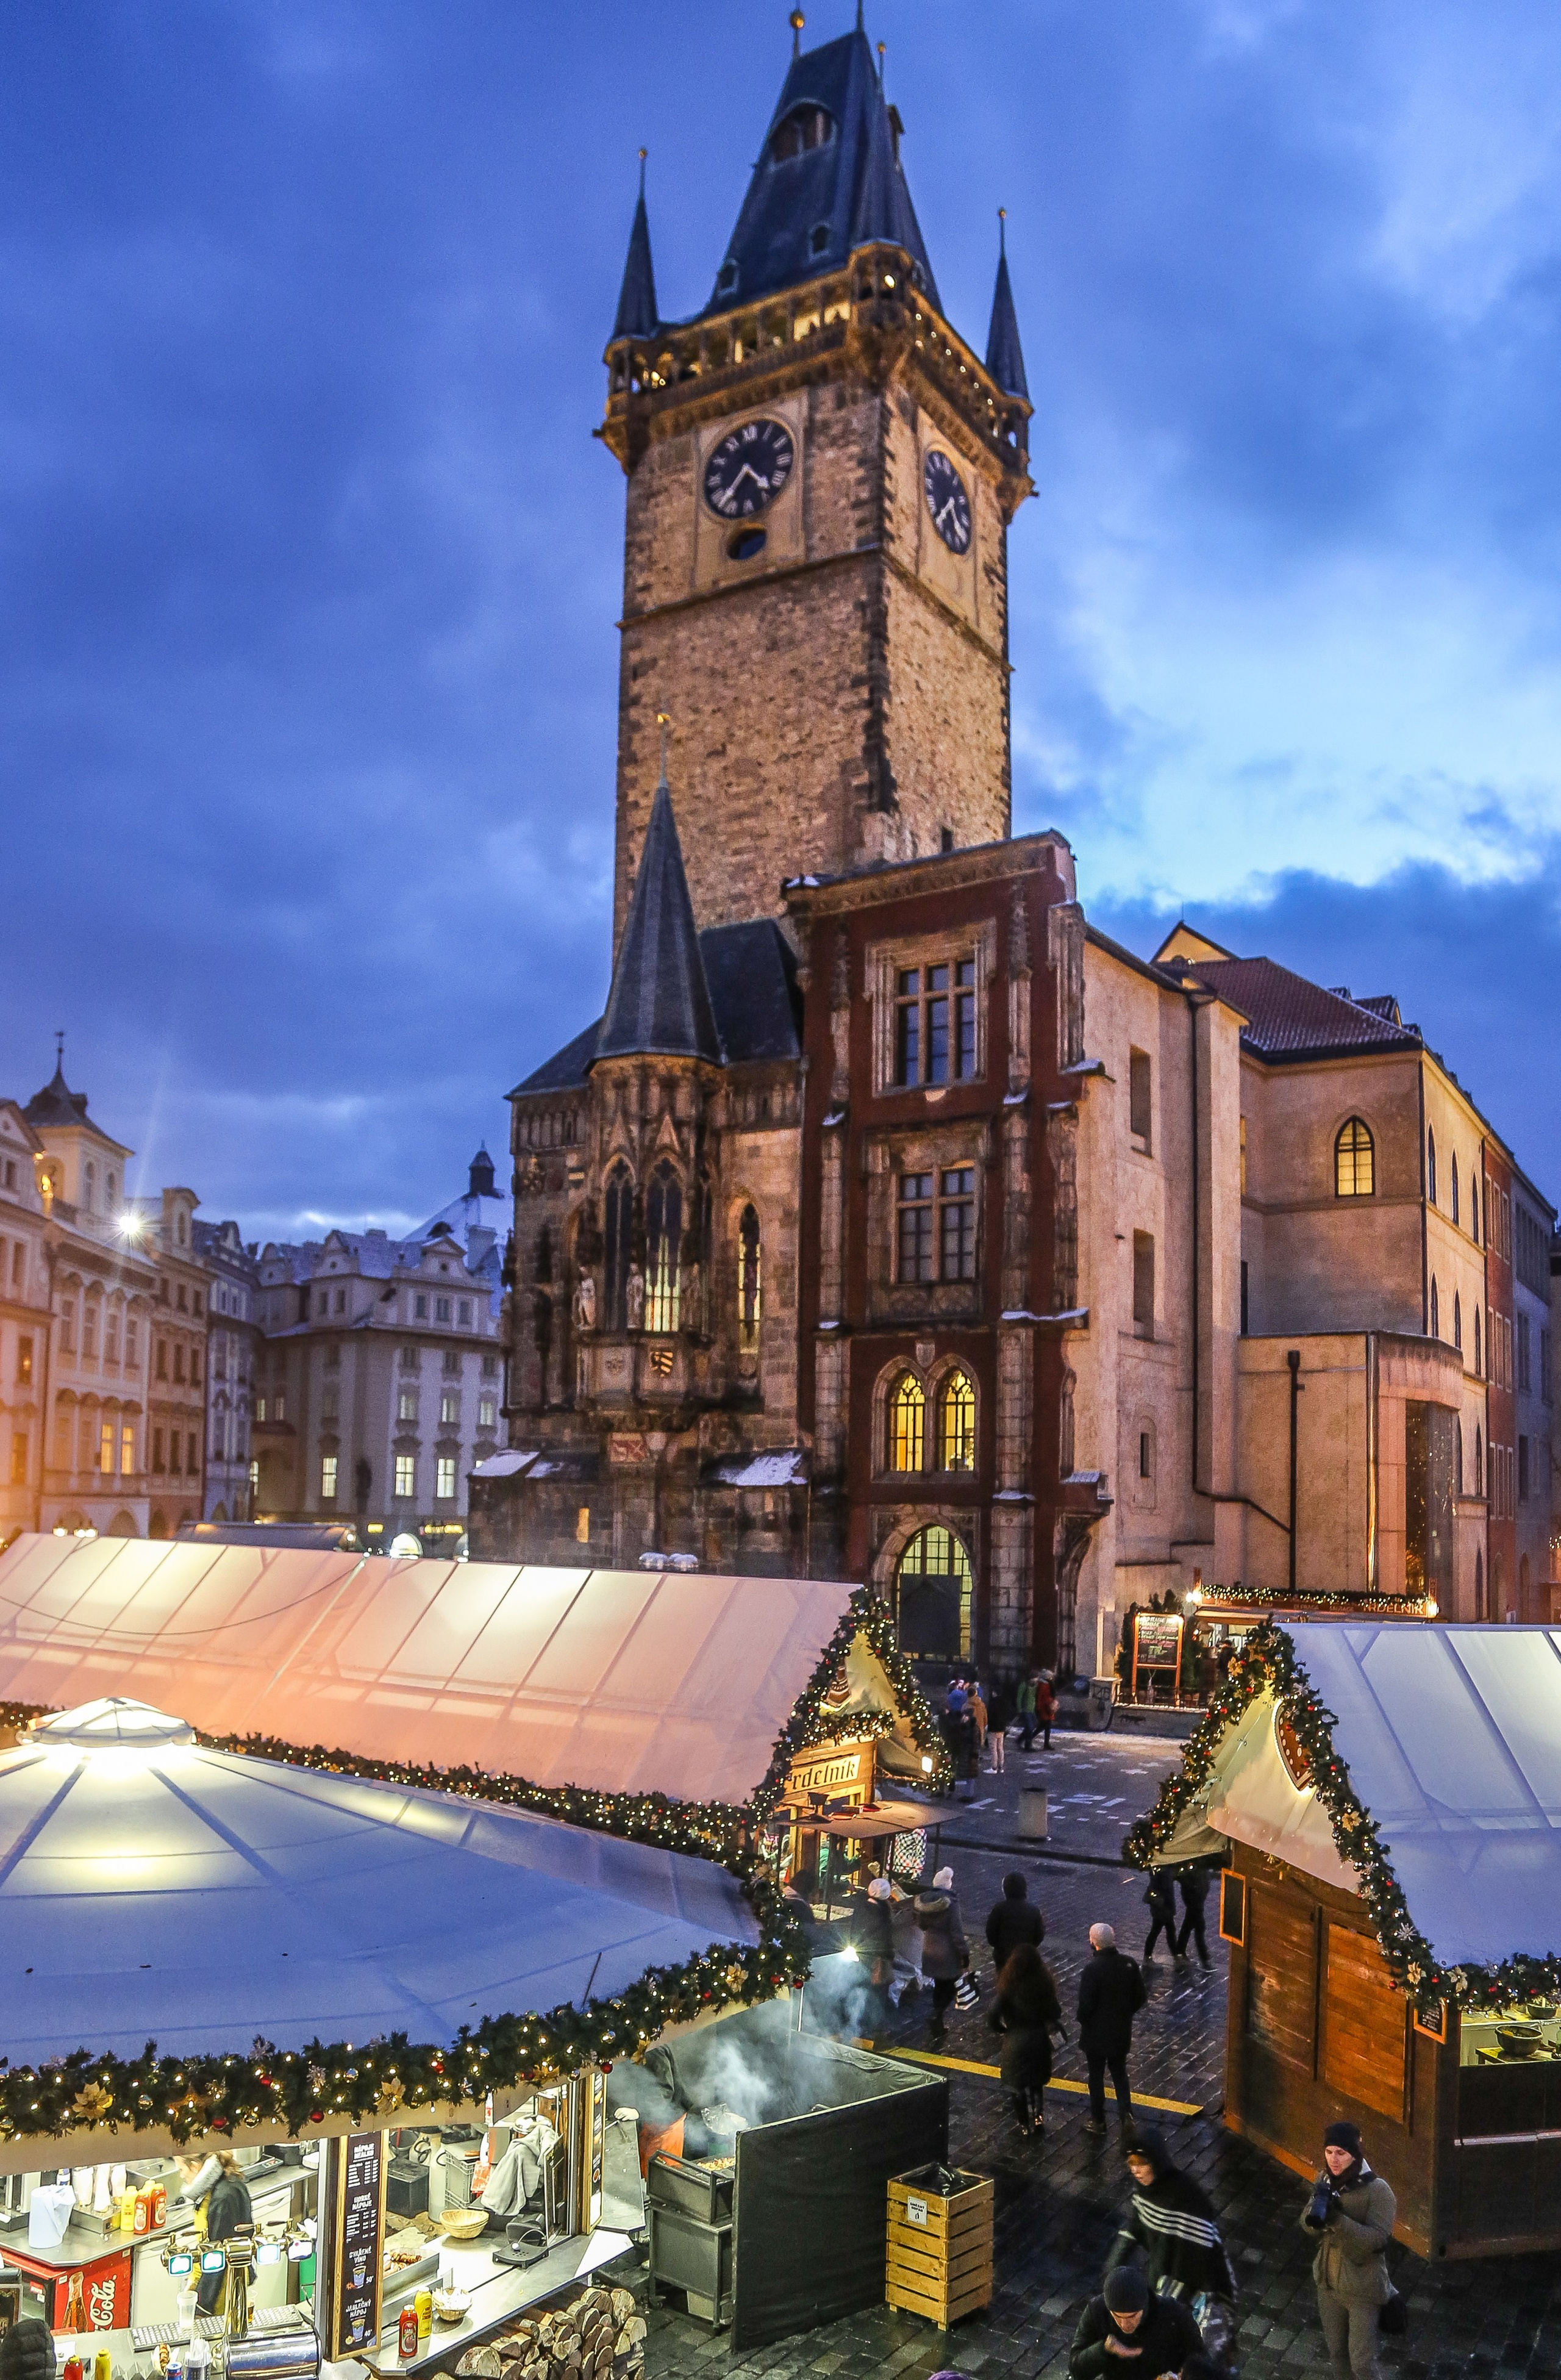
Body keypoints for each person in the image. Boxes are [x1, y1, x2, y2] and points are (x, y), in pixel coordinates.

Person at [1302, 2120, 1396, 2380]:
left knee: (1362, 2364)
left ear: (1354, 2154)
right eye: (1329, 2151)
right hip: (1328, 2283)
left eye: (1341, 2153)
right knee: (1337, 2355)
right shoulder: (1323, 2180)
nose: (1333, 2159)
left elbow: (1377, 2240)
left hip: (1362, 2288)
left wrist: (1337, 2221)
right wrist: (1316, 2215)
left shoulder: (1378, 2191)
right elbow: (1307, 2225)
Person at [1107, 2124, 1236, 2305]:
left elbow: (1202, 2250)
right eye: (1131, 2163)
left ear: (1156, 2161)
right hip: (1160, 2278)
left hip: (1190, 2290)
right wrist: (1113, 2268)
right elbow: (1135, 2226)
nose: (1135, 2170)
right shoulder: (1143, 2190)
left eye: (1141, 2163)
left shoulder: (1186, 2195)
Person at [1070, 2264, 1203, 2379]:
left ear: (1144, 2307)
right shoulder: (1097, 2311)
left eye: (1132, 2316)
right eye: (1117, 2316)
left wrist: (1185, 2375)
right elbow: (1076, 2371)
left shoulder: (1173, 2313)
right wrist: (1102, 2350)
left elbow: (1202, 2361)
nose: (1124, 2325)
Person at [987, 1941, 1063, 2137]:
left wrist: (1002, 2030)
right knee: (1036, 2082)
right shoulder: (1044, 1985)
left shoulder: (1007, 1988)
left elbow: (992, 2015)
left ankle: (1023, 2124)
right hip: (1039, 2041)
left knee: (1016, 2084)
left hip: (1015, 2041)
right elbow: (1056, 2012)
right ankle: (1038, 2117)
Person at [1078, 1922, 1146, 2134]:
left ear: (1093, 1942)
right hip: (1120, 2032)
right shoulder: (1129, 1964)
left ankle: (1098, 2120)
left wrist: (1084, 2020)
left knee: (1096, 2077)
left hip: (1096, 2035)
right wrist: (1125, 2014)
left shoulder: (1092, 1969)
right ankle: (1127, 2115)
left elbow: (1085, 2006)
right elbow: (1140, 1997)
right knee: (1120, 2074)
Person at [913, 1864, 969, 2042]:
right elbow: (956, 1932)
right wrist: (964, 1954)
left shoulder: (924, 1901)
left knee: (938, 1985)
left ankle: (938, 2023)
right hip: (947, 1953)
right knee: (951, 1986)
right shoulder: (951, 1903)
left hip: (929, 1948)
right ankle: (937, 2014)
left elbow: (921, 1925)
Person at [194, 2152, 253, 2315]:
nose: (181, 2175)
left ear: (195, 2167)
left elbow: (216, 2256)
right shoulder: (224, 2183)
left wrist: (202, 2306)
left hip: (223, 2291)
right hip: (230, 2280)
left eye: (181, 2170)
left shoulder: (222, 2199)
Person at [845, 1873, 896, 2039]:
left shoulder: (861, 1908)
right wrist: (890, 1956)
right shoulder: (883, 1914)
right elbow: (885, 1940)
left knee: (860, 1990)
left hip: (861, 1956)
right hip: (878, 1959)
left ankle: (855, 2022)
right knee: (877, 1995)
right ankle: (875, 2027)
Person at [987, 1871, 1045, 1968]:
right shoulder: (1034, 1910)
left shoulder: (999, 1909)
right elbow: (1039, 1935)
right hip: (1026, 1957)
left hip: (1003, 1957)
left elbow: (991, 1934)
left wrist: (999, 1947)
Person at [1175, 1863, 1213, 1969]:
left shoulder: (1201, 1867)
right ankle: (1205, 1960)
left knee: (1188, 1927)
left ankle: (1180, 1953)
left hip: (1197, 1900)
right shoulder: (1192, 1867)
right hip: (1195, 1901)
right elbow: (1184, 1879)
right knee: (1199, 1929)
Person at [1141, 1871, 1178, 1963]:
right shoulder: (1161, 1873)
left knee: (1159, 1931)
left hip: (1164, 1907)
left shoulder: (1164, 1871)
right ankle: (1176, 1956)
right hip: (1163, 1908)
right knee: (1166, 1931)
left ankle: (1147, 1957)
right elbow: (1155, 1888)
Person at [1016, 1672, 1038, 1751]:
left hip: (1032, 1709)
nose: (1037, 1680)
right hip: (1026, 1710)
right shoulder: (1024, 1685)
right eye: (1036, 1678)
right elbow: (1019, 1698)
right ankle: (1028, 1746)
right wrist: (1020, 1709)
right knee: (1030, 1727)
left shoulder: (1035, 1686)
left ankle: (1020, 1740)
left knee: (1032, 1727)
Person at [1035, 1672, 1056, 1749]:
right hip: (1044, 1708)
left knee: (1047, 1727)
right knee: (1044, 1726)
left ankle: (1046, 1744)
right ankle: (1029, 1738)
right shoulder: (1043, 1685)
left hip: (1049, 1708)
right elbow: (1039, 1698)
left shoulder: (1049, 1684)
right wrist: (1038, 1708)